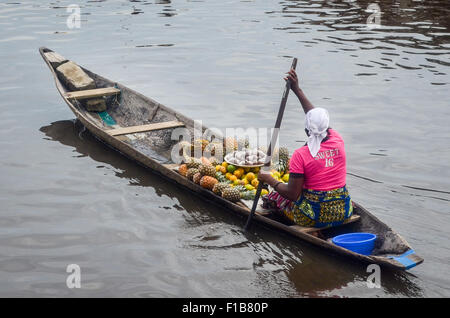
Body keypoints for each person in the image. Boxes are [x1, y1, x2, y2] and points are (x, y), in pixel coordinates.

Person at [258, 69, 353, 227]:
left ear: (306, 129)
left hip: (313, 218)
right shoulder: (337, 139)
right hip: (343, 211)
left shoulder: (301, 155)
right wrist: (297, 90)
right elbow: (317, 119)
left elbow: (292, 194)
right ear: (325, 126)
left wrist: (269, 179)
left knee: (276, 198)